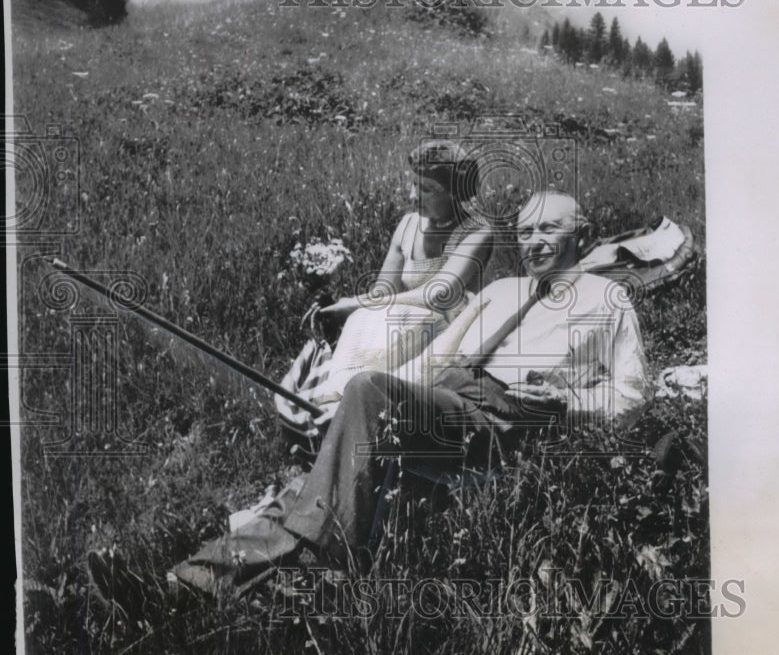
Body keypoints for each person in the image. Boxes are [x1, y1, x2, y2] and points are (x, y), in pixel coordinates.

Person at [173, 191, 649, 595]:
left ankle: (310, 557)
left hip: (508, 417)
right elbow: (436, 357)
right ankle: (186, 579)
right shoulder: (504, 289)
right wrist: (359, 404)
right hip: (449, 394)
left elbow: (632, 395)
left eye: (548, 229)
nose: (534, 242)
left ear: (581, 235)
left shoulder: (608, 299)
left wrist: (571, 404)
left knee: (350, 431)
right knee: (322, 477)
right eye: (525, 232)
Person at [275, 140, 492, 436]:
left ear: (456, 193)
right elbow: (383, 292)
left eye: (427, 189)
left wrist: (357, 303)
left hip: (447, 327)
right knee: (363, 317)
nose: (414, 196)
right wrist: (341, 305)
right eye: (413, 184)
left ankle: (350, 409)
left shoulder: (476, 230)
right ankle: (333, 401)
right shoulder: (407, 225)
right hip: (402, 319)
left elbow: (441, 294)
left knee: (401, 318)